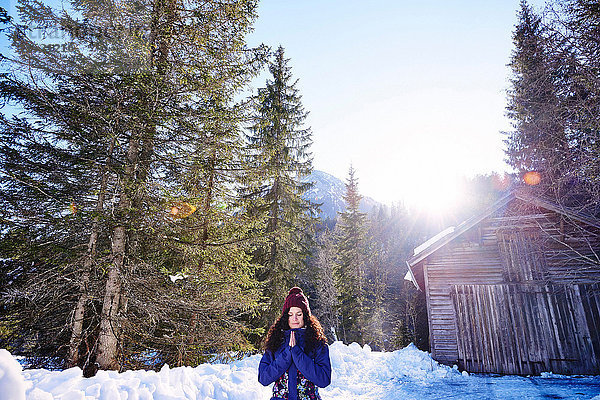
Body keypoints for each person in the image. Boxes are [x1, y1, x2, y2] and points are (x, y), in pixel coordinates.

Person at [258, 287, 331, 400]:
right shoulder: (276, 341)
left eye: (299, 314)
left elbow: (324, 379)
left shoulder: (317, 342)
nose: (294, 318)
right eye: (290, 314)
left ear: (305, 316)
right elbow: (263, 378)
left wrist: (297, 353)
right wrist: (287, 354)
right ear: (285, 317)